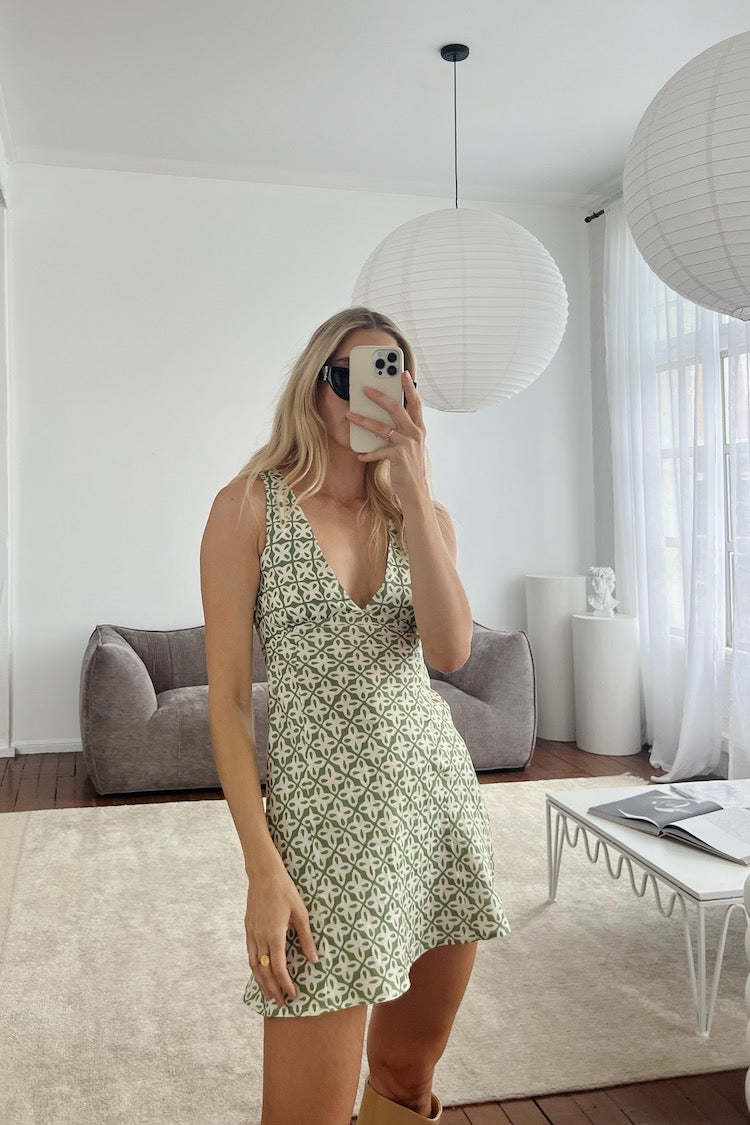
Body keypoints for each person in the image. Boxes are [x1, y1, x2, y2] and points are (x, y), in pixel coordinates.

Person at [200, 307, 509, 1125]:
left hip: (435, 816)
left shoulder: (426, 521)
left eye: (391, 377)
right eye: (350, 377)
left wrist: (416, 493)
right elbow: (227, 703)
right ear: (316, 388)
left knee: (405, 1076)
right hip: (323, 835)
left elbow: (450, 650)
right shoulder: (248, 508)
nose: (370, 396)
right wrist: (261, 867)